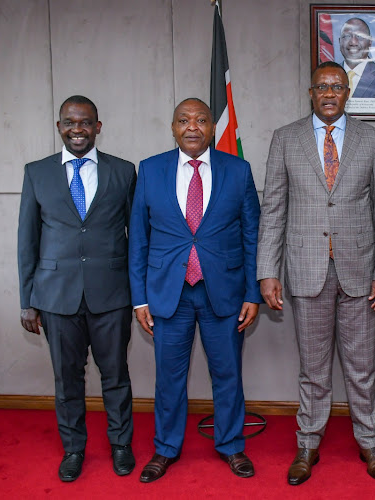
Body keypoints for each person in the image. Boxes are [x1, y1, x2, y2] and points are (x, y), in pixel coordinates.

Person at [257, 61, 375, 485]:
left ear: (347, 92)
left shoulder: (371, 140)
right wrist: (267, 269)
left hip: (360, 272)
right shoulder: (286, 139)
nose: (330, 93)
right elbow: (274, 210)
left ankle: (369, 441)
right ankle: (307, 443)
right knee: (313, 367)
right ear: (311, 92)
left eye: (338, 86)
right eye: (323, 86)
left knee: (361, 366)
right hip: (305, 269)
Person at [128, 98, 261, 482]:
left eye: (201, 120)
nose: (193, 127)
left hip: (225, 292)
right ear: (172, 128)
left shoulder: (238, 170)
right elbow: (138, 238)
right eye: (184, 120)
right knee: (168, 377)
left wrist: (252, 293)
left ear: (212, 128)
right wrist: (140, 298)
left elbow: (253, 235)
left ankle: (232, 445)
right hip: (169, 294)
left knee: (228, 374)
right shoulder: (151, 170)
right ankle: (165, 448)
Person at [17, 95, 137, 482]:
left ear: (98, 127)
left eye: (85, 122)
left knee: (115, 374)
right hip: (55, 296)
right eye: (70, 122)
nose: (77, 129)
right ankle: (73, 449)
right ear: (59, 127)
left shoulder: (123, 171)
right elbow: (27, 240)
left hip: (112, 294)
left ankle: (121, 444)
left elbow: (137, 238)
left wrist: (141, 295)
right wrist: (28, 301)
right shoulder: (37, 173)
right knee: (66, 379)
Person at [338, 18, 375, 98]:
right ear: (339, 41)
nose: (353, 42)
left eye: (360, 36)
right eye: (347, 36)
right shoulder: (328, 75)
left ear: (370, 42)